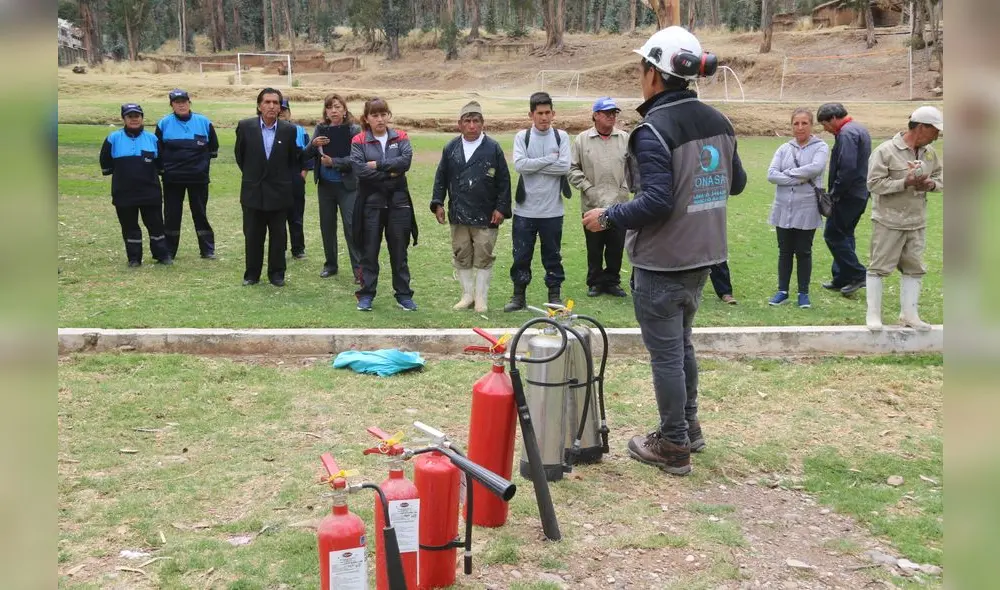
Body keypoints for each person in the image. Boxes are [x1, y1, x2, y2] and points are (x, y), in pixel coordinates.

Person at [583, 27, 746, 476]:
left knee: (668, 355)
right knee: (682, 346)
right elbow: (736, 183)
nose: (640, 76)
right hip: (704, 254)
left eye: (642, 68)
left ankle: (673, 443)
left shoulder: (652, 131)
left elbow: (656, 201)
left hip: (662, 260)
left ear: (655, 74)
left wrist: (609, 216)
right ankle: (689, 428)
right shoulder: (719, 122)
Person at [864, 106, 944, 331]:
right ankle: (873, 315)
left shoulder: (929, 152)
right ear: (921, 127)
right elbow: (873, 184)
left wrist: (932, 184)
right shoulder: (886, 151)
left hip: (916, 220)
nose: (937, 135)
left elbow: (941, 176)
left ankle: (910, 314)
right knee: (878, 267)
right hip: (888, 220)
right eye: (934, 130)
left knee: (914, 267)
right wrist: (904, 182)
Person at [430, 101, 512, 313]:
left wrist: (501, 208)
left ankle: (481, 298)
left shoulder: (493, 148)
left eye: (476, 121)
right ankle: (467, 296)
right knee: (462, 254)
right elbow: (441, 177)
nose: (472, 125)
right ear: (460, 124)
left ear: (482, 123)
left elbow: (504, 181)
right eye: (468, 121)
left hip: (486, 214)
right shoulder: (451, 148)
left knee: (484, 255)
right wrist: (438, 202)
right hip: (458, 213)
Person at [504, 91, 572, 312]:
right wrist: (549, 159)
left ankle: (554, 296)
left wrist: (535, 163)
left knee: (553, 257)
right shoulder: (521, 137)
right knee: (521, 256)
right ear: (531, 114)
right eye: (539, 113)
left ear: (553, 113)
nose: (544, 118)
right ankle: (518, 297)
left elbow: (564, 167)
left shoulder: (562, 137)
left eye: (547, 113)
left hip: (553, 212)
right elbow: (520, 166)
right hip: (525, 211)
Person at [350, 97, 419, 312]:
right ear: (367, 118)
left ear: (388, 116)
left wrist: (378, 165)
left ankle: (404, 295)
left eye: (383, 114)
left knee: (399, 252)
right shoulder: (359, 140)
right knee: (369, 252)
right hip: (371, 204)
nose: (380, 119)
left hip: (398, 204)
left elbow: (405, 162)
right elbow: (360, 170)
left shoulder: (401, 136)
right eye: (375, 115)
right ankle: (366, 295)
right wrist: (391, 175)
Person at [234, 87, 302, 287]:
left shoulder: (289, 130)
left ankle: (277, 273)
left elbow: (291, 161)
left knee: (279, 236)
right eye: (267, 102)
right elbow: (241, 157)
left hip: (279, 192)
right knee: (253, 235)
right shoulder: (245, 126)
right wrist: (254, 175)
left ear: (280, 107)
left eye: (276, 102)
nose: (272, 106)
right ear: (259, 105)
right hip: (253, 190)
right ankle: (252, 274)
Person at [765, 107, 830, 309]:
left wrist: (787, 174)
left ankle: (803, 292)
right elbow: (771, 174)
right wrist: (799, 178)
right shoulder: (784, 148)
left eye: (804, 123)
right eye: (796, 123)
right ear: (791, 125)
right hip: (783, 206)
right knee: (784, 251)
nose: (800, 127)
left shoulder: (821, 147)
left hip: (807, 207)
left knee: (803, 251)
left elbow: (815, 168)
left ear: (811, 125)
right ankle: (782, 290)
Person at [567, 97, 630, 298]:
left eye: (614, 113)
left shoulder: (625, 138)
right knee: (594, 247)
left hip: (618, 205)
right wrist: (587, 188)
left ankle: (612, 281)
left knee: (615, 246)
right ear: (596, 115)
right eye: (607, 113)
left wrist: (625, 188)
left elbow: (633, 168)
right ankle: (594, 282)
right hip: (593, 204)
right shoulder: (582, 139)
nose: (612, 116)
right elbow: (572, 168)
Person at [99, 103, 173, 267]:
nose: (134, 119)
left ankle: (162, 255)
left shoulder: (152, 139)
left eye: (137, 116)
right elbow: (106, 162)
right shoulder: (113, 138)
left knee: (156, 225)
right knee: (129, 226)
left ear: (142, 117)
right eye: (130, 116)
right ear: (124, 119)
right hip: (124, 192)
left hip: (150, 192)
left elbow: (160, 164)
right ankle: (134, 258)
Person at [304, 94, 363, 280]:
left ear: (344, 110)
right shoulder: (320, 129)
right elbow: (306, 154)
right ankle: (330, 265)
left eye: (338, 107)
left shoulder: (354, 130)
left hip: (347, 186)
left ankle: (358, 269)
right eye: (330, 107)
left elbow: (357, 159)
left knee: (351, 226)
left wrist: (334, 162)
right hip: (325, 186)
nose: (334, 110)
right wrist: (314, 145)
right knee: (327, 226)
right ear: (326, 111)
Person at [155, 89, 219, 259]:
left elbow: (213, 148)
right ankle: (169, 251)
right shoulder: (164, 123)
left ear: (189, 102)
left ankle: (207, 250)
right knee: (171, 215)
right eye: (177, 102)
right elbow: (158, 151)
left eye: (184, 101)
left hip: (198, 178)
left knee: (200, 213)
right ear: (171, 105)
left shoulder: (203, 122)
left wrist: (202, 167)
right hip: (172, 179)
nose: (181, 104)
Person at [816, 102, 872, 296]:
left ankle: (858, 274)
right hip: (860, 193)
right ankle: (841, 277)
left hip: (848, 194)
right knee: (846, 234)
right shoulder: (859, 129)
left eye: (825, 124)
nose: (825, 129)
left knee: (833, 234)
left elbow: (847, 167)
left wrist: (835, 192)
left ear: (833, 119)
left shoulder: (847, 134)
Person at [278, 99, 314, 260]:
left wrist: (302, 177)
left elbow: (308, 156)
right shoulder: (270, 131)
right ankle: (280, 248)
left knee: (296, 216)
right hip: (276, 181)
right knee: (277, 217)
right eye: (280, 109)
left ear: (289, 113)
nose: (281, 112)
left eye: (284, 110)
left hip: (295, 180)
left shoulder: (300, 131)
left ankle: (298, 248)